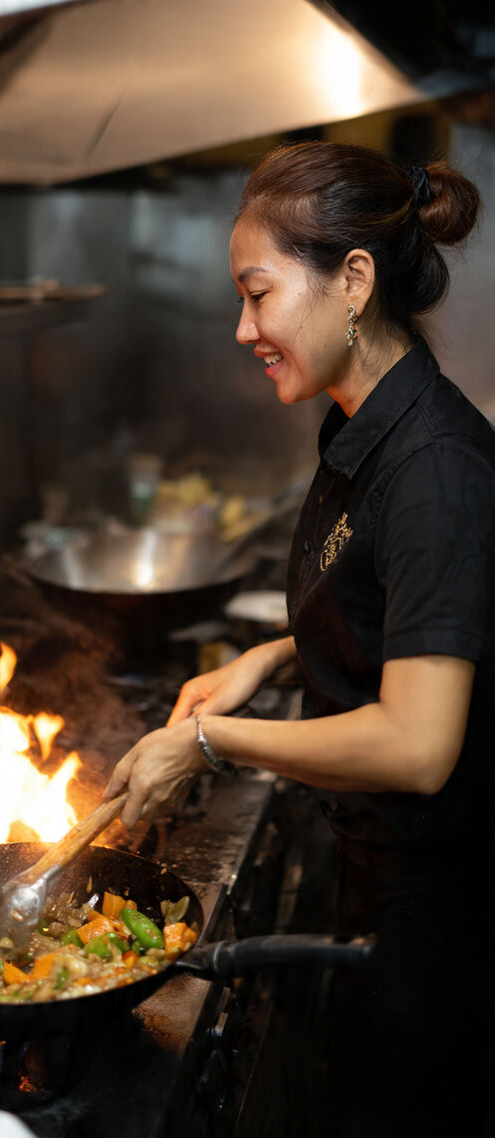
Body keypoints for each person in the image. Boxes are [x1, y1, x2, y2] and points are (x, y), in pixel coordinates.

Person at [104, 141, 495, 1137]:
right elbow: (385, 602)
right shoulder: (363, 419)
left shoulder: (434, 466)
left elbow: (417, 742)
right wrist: (269, 656)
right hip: (383, 878)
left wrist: (206, 741)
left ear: (352, 280)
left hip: (442, 912)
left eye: (257, 295)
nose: (243, 328)